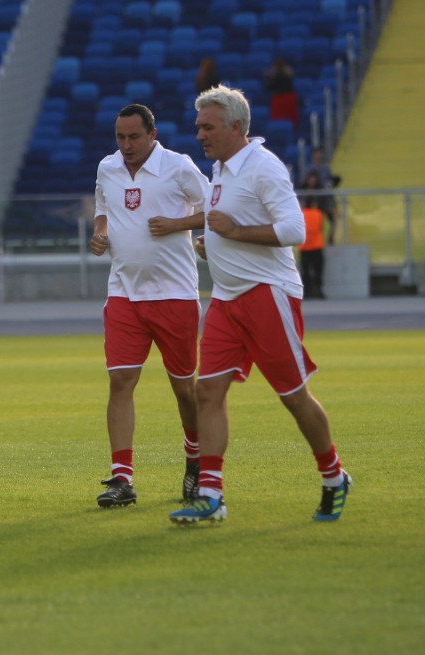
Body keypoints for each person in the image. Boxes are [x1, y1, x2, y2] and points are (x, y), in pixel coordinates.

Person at [169, 84, 351, 525]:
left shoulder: (263, 167)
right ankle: (211, 496)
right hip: (227, 298)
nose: (200, 135)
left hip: (268, 294)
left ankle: (333, 476)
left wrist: (231, 234)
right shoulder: (222, 167)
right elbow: (231, 224)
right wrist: (212, 244)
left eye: (207, 127)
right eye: (198, 127)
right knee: (207, 390)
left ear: (235, 127)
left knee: (293, 396)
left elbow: (294, 230)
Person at [90, 103, 210, 508]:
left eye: (134, 137)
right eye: (120, 137)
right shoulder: (107, 168)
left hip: (174, 294)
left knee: (183, 388)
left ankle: (194, 459)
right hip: (124, 293)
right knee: (120, 382)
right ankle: (121, 478)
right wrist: (101, 231)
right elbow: (102, 205)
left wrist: (177, 224)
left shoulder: (178, 167)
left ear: (152, 135)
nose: (126, 145)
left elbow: (215, 207)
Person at [298, 195, 329, 299]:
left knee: (305, 271)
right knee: (318, 270)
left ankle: (307, 292)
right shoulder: (319, 214)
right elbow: (321, 227)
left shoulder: (301, 214)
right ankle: (319, 291)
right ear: (314, 204)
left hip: (304, 246)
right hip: (317, 245)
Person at [265, 58, 298, 127]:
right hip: (289, 98)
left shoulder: (276, 76)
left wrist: (269, 78)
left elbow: (270, 88)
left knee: (279, 121)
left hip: (279, 99)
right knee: (289, 120)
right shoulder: (289, 75)